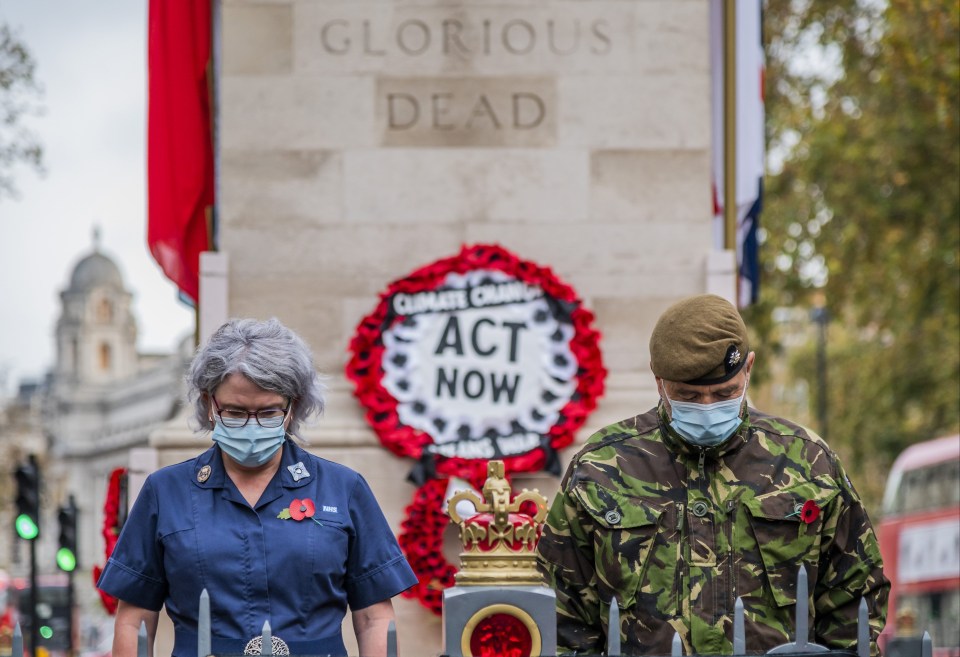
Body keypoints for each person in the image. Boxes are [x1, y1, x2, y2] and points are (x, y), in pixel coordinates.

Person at [536, 294, 889, 655]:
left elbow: (856, 595)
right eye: (688, 395)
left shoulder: (807, 463)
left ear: (748, 369)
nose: (707, 407)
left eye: (725, 392)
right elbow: (561, 611)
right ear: (659, 382)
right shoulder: (601, 468)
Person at [97, 318, 417, 657]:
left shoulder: (343, 489)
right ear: (209, 404)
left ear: (292, 408)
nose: (252, 425)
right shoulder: (165, 491)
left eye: (268, 413)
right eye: (235, 412)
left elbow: (373, 617)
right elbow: (134, 619)